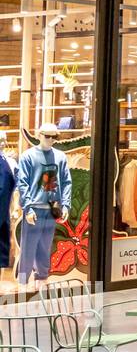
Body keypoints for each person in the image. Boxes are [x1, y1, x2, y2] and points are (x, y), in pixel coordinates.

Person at [15, 123, 72, 288]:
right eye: (47, 136)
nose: (51, 140)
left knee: (46, 245)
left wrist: (66, 205)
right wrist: (28, 207)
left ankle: (42, 277)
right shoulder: (28, 156)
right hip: (35, 206)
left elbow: (66, 182)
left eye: (54, 136)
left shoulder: (60, 157)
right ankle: (23, 281)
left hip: (52, 207)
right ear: (39, 135)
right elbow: (23, 183)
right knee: (28, 245)